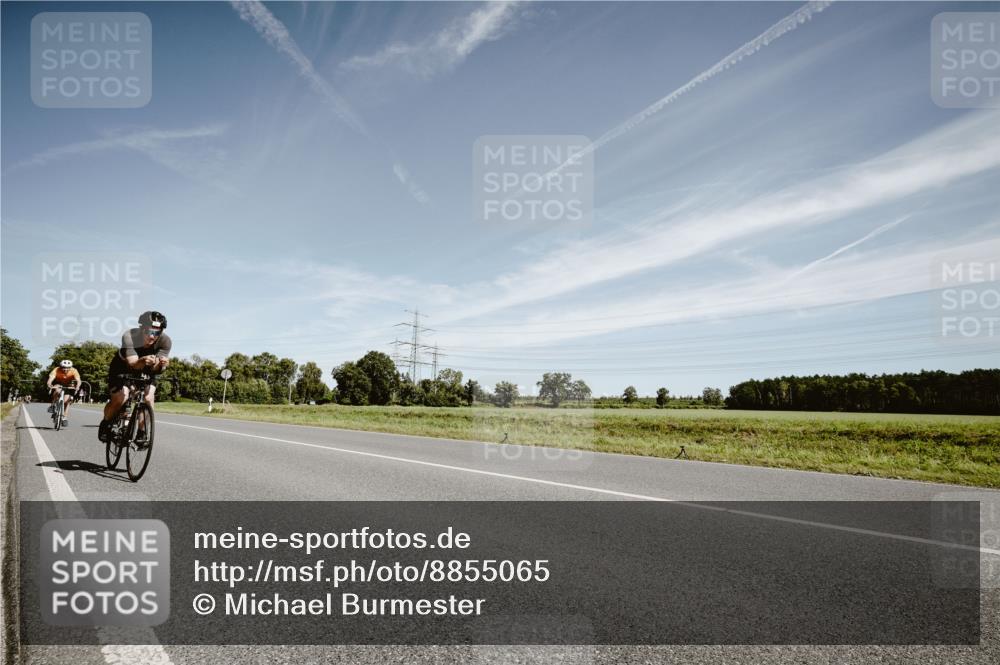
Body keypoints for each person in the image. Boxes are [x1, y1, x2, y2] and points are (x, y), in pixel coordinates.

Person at [98, 311, 172, 443]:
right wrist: (143, 360)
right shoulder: (129, 336)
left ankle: (142, 432)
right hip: (122, 367)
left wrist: (161, 365)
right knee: (122, 396)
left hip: (146, 370)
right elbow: (133, 364)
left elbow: (156, 369)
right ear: (141, 328)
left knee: (149, 397)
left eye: (156, 333)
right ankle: (106, 422)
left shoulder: (165, 341)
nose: (152, 336)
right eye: (149, 331)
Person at [46, 359, 80, 426]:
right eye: (63, 368)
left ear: (70, 368)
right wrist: (49, 384)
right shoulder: (56, 370)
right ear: (60, 367)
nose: (65, 369)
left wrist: (77, 387)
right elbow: (50, 379)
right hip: (58, 383)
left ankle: (64, 417)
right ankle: (53, 405)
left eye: (68, 368)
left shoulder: (74, 370)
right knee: (57, 390)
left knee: (67, 401)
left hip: (69, 384)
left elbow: (78, 380)